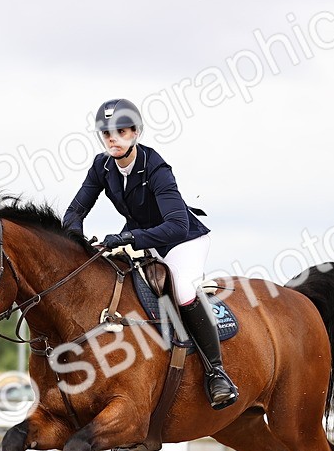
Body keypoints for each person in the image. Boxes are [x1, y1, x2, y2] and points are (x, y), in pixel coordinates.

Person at [62, 98, 238, 410]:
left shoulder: (156, 168)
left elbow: (177, 226)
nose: (112, 138)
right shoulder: (102, 167)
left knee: (182, 292)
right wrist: (75, 237)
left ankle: (216, 372)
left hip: (182, 241)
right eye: (106, 133)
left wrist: (127, 237)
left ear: (136, 132)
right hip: (142, 240)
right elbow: (75, 211)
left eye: (120, 131)